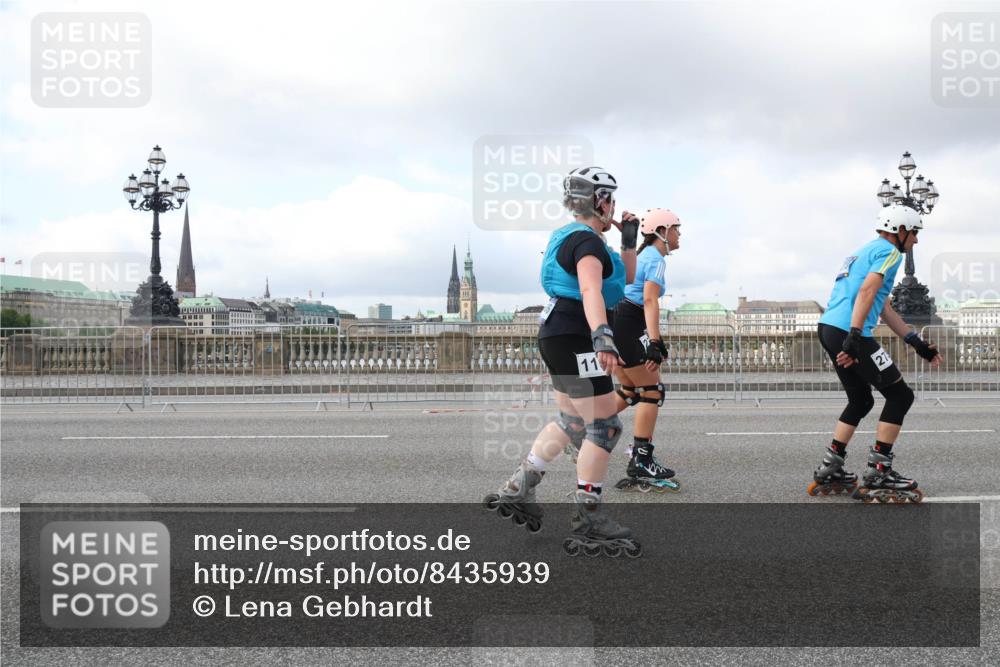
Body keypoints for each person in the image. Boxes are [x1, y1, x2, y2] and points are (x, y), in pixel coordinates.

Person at [483, 166, 643, 557]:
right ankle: (589, 516)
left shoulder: (573, 237)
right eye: (612, 200)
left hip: (558, 333)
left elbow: (624, 278)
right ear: (600, 200)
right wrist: (602, 336)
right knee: (604, 427)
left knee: (573, 422)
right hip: (576, 335)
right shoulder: (586, 244)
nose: (615, 207)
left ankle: (520, 486)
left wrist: (626, 238)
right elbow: (591, 289)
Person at [811, 203, 942, 503]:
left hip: (830, 327)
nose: (916, 241)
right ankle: (879, 470)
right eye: (914, 233)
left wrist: (915, 342)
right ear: (900, 231)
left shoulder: (863, 251)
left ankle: (831, 466)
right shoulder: (890, 252)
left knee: (861, 399)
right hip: (848, 330)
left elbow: (882, 306)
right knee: (901, 396)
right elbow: (867, 292)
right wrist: (855, 337)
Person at [611, 208, 682, 493]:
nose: (680, 234)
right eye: (677, 228)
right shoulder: (655, 259)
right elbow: (650, 301)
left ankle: (583, 428)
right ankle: (641, 460)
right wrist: (655, 341)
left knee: (629, 391)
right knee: (652, 391)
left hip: (618, 319)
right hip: (629, 321)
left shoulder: (644, 256)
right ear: (662, 232)